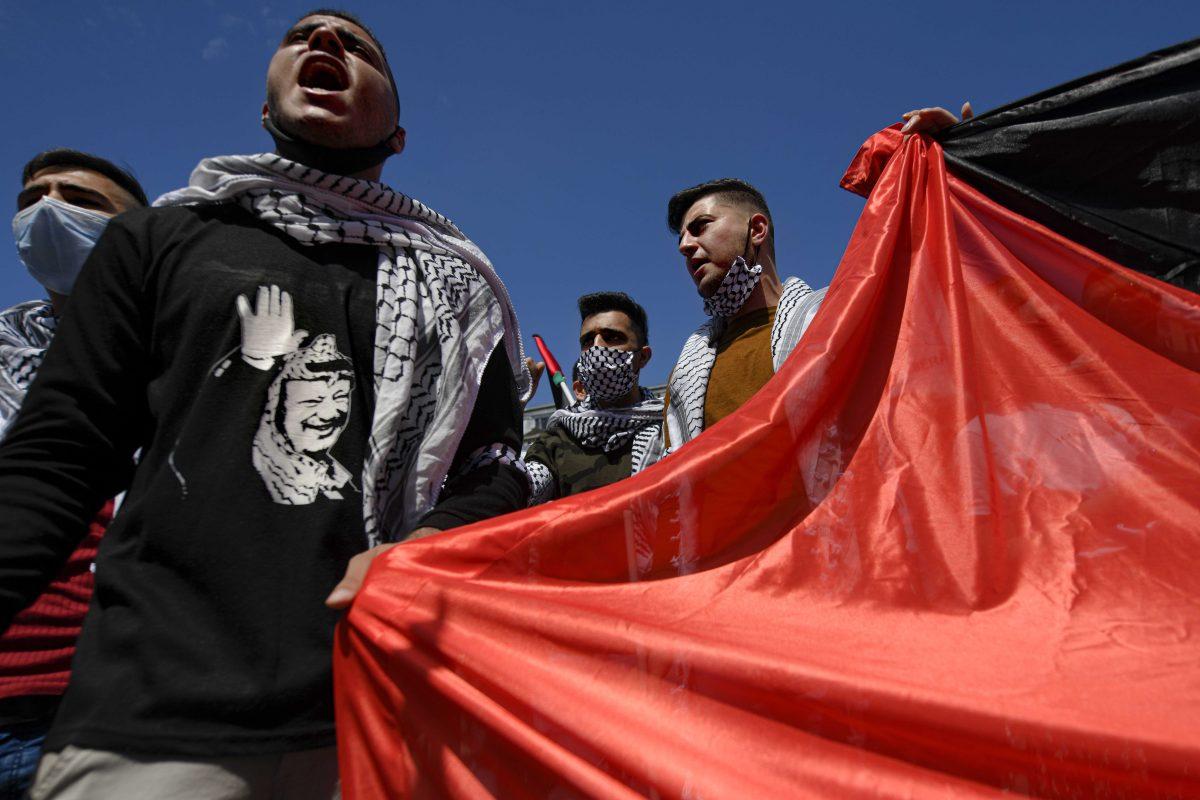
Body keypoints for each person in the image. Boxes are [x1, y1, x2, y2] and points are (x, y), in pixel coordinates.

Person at [0, 10, 530, 799]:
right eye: (302, 37)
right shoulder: (160, 240)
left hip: (376, 708)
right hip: (155, 716)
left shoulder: (459, 292)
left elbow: (495, 467)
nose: (325, 44)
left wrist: (420, 549)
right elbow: (59, 455)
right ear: (263, 109)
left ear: (398, 135)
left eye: (357, 46)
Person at [658, 106, 969, 452]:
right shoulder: (685, 375)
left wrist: (959, 182)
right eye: (682, 237)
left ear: (757, 229)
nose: (686, 245)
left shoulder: (838, 317)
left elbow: (943, 308)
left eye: (701, 227)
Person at [0, 148, 147, 800]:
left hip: (109, 716)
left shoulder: (197, 360)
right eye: (32, 200)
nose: (48, 213)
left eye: (80, 202)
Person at [524, 292, 662, 502]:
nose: (597, 347)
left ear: (642, 357)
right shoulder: (558, 439)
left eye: (612, 337)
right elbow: (521, 489)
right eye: (588, 341)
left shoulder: (672, 428)